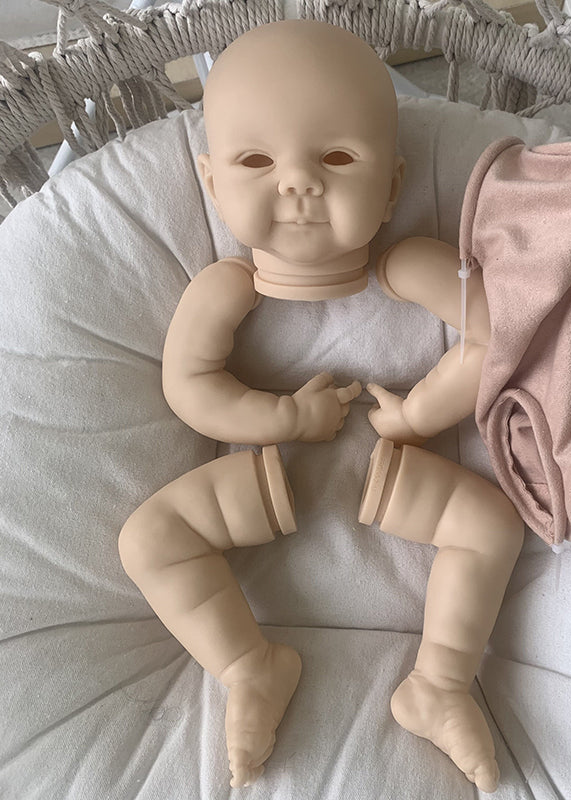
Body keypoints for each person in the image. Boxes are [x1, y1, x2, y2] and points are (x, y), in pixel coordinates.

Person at [118, 19, 523, 793]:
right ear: (212, 183)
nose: (298, 183)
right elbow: (190, 389)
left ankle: (439, 684)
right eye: (256, 161)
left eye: (336, 158)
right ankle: (250, 667)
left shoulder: (411, 264)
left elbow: (494, 337)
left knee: (493, 526)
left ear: (393, 185)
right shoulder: (224, 288)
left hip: (391, 466)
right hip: (266, 475)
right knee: (150, 540)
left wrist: (419, 415)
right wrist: (282, 419)